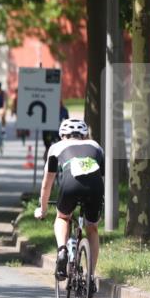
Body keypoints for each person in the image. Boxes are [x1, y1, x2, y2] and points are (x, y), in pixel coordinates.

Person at [33, 119, 103, 289]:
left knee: (63, 217)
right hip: (94, 187)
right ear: (84, 135)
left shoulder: (56, 147)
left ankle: (63, 249)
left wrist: (42, 209)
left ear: (62, 135)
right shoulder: (95, 146)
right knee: (92, 228)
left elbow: (46, 184)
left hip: (70, 186)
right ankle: (91, 277)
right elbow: (102, 177)